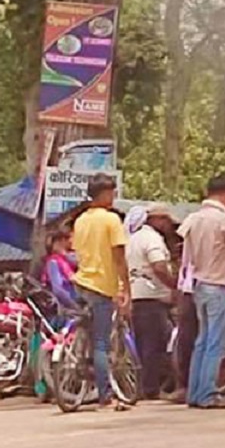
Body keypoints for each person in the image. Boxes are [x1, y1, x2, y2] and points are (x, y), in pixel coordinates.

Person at [179, 175, 225, 409]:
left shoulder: (193, 219)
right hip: (220, 287)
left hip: (200, 285)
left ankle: (195, 393)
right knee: (215, 344)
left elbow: (186, 257)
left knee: (202, 342)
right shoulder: (224, 220)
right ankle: (208, 393)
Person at [71, 173, 130, 408]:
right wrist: (125, 286)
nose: (113, 196)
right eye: (112, 192)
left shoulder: (80, 220)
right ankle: (105, 395)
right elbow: (119, 257)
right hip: (101, 286)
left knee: (88, 333)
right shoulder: (111, 220)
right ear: (104, 194)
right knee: (101, 344)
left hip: (81, 283)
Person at [126, 204, 178, 400]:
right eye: (164, 220)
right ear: (155, 219)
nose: (167, 225)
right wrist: (173, 285)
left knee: (142, 345)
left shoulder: (134, 238)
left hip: (137, 297)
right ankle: (150, 389)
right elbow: (159, 266)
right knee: (153, 346)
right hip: (152, 298)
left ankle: (141, 387)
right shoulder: (152, 239)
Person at [43, 229, 79, 312]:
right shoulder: (53, 262)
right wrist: (74, 306)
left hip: (73, 300)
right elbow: (58, 289)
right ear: (62, 240)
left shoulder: (66, 260)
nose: (71, 242)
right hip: (64, 306)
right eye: (69, 239)